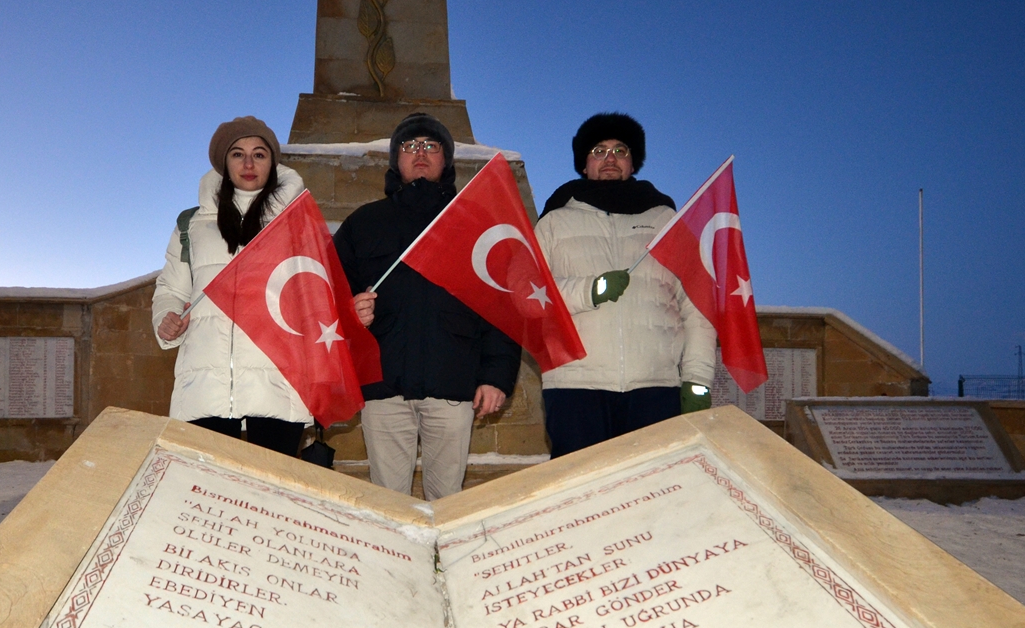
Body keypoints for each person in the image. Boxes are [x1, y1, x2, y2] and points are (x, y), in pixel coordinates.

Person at [335, 113, 521, 500]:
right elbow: (328, 296)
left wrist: (497, 376)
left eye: (430, 146)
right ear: (395, 160)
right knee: (389, 503)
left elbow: (503, 306)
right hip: (382, 386)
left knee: (448, 501)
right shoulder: (364, 223)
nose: (420, 153)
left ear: (446, 159)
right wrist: (351, 312)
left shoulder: (474, 224)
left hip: (453, 384)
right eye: (409, 146)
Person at [536, 112, 717, 458]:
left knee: (652, 493)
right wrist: (590, 290)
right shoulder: (554, 222)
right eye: (599, 150)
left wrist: (696, 378)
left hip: (655, 387)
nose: (609, 159)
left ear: (633, 163)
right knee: (579, 491)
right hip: (576, 385)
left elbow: (697, 306)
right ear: (584, 164)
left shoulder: (665, 221)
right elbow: (527, 294)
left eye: (620, 151)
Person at [152, 116, 310, 456]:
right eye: (238, 154)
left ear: (273, 161)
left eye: (259, 154)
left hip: (277, 382)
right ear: (224, 163)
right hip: (206, 383)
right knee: (210, 498)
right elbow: (172, 290)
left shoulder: (297, 222)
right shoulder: (191, 224)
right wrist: (167, 318)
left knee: (271, 495)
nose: (249, 163)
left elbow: (313, 294)